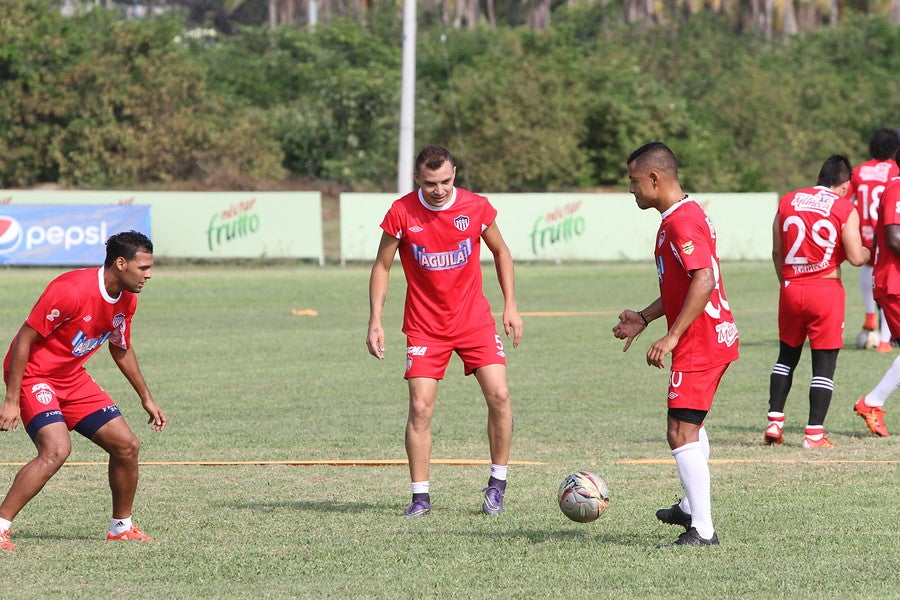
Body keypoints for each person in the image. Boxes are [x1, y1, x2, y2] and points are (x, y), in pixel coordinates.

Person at [366, 145, 523, 518]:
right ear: (418, 178)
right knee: (420, 408)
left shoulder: (476, 207)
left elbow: (501, 251)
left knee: (499, 395)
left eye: (447, 181)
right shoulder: (401, 213)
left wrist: (511, 305)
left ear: (455, 173)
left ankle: (496, 486)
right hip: (425, 327)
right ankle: (420, 498)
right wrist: (375, 319)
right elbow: (382, 266)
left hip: (474, 321)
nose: (439, 189)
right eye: (431, 182)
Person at [0, 230, 166, 552]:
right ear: (121, 263)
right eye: (143, 267)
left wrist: (146, 397)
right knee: (56, 450)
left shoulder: (127, 300)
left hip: (71, 377)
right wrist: (11, 398)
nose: (149, 274)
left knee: (126, 445)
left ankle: (121, 528)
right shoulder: (70, 290)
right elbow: (24, 339)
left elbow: (121, 348)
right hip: (35, 376)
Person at [613, 142, 739, 547]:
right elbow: (683, 284)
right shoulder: (680, 215)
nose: (630, 189)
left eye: (634, 181)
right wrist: (645, 318)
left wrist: (672, 335)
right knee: (691, 424)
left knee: (679, 431)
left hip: (700, 341)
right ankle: (689, 505)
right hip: (710, 335)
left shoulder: (682, 221)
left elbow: (704, 279)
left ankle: (702, 529)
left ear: (655, 178)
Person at [765, 155, 870, 449]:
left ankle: (774, 423)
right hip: (824, 291)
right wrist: (866, 252)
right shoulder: (843, 207)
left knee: (786, 356)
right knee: (824, 364)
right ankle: (814, 434)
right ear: (846, 185)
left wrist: (785, 282)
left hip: (790, 287)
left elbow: (777, 250)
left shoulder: (788, 201)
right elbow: (854, 256)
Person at [854, 167, 900, 437]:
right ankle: (871, 402)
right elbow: (894, 237)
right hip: (894, 283)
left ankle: (871, 402)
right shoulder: (896, 187)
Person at [847, 129, 900, 351]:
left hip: (865, 230)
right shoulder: (896, 170)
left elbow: (847, 198)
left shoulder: (860, 171)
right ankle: (886, 340)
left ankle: (870, 316)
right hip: (888, 228)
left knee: (869, 269)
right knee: (892, 281)